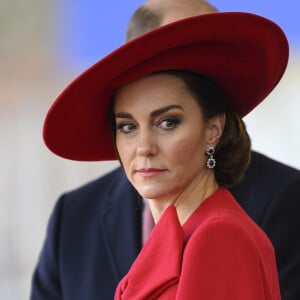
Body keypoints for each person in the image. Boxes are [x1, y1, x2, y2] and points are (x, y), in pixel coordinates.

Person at [30, 2, 300, 300]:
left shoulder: (218, 234)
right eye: (127, 127)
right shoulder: (174, 233)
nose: (144, 148)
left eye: (168, 122)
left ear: (213, 129)